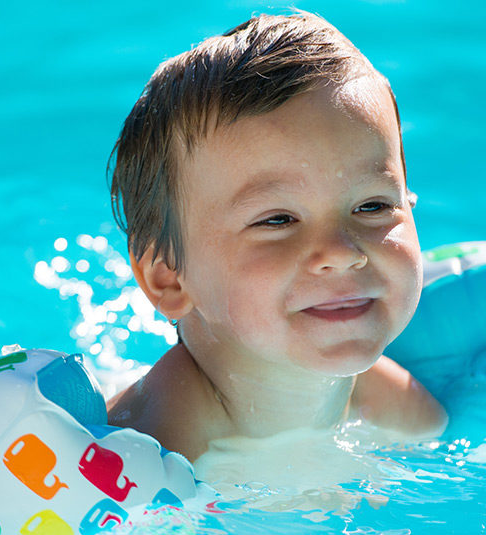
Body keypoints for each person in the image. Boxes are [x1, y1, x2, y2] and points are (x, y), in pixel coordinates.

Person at [106, 12, 446, 463]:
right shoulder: (158, 442)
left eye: (372, 207)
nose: (341, 255)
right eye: (278, 220)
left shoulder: (391, 403)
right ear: (170, 279)